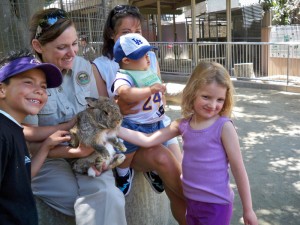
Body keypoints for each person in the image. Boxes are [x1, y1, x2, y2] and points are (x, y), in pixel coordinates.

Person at [118, 61, 259, 225]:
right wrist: (116, 130)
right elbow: (148, 140)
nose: (213, 105)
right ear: (192, 93)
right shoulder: (183, 124)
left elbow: (238, 168)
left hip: (216, 205)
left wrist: (248, 209)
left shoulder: (224, 127)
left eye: (220, 99)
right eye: (206, 97)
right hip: (191, 202)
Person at [23, 8, 127, 225]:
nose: (72, 53)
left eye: (75, 43)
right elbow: (28, 142)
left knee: (110, 197)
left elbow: (102, 111)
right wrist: (75, 146)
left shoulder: (83, 67)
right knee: (91, 204)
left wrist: (103, 149)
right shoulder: (27, 78)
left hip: (87, 151)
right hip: (49, 158)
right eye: (62, 47)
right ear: (38, 46)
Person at [92, 5, 186, 225]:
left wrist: (158, 106)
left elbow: (159, 93)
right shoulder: (102, 66)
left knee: (180, 178)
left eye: (138, 31)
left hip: (157, 124)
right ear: (111, 34)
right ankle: (127, 172)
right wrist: (123, 109)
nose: (134, 36)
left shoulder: (148, 55)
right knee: (164, 160)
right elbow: (102, 112)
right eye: (126, 32)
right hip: (128, 130)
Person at [0, 50, 68, 225]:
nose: (39, 91)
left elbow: (21, 177)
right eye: (28, 83)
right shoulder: (2, 134)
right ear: (2, 89)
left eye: (44, 87)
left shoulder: (14, 128)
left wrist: (46, 147)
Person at [112, 33, 166, 196]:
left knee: (160, 149)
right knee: (126, 154)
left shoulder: (147, 71)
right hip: (133, 126)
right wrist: (150, 90)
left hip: (156, 123)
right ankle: (123, 175)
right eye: (143, 56)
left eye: (148, 54)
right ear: (127, 60)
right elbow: (125, 94)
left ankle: (153, 171)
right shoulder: (124, 76)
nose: (148, 59)